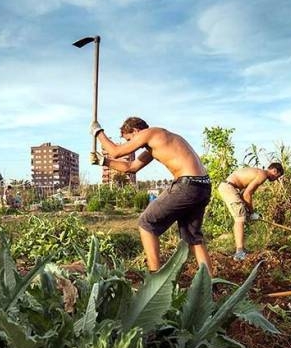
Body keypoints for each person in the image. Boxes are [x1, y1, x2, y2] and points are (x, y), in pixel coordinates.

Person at [89, 117, 213, 274]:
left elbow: (116, 151)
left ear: (135, 131)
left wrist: (98, 132)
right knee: (193, 237)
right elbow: (131, 167)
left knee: (146, 222)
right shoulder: (158, 141)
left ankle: (155, 277)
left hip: (187, 185)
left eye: (129, 140)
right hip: (202, 186)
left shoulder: (150, 133)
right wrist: (104, 161)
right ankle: (209, 283)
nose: (131, 145)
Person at [218, 164, 284, 261]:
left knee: (241, 214)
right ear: (274, 171)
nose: (276, 179)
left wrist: (249, 212)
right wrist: (252, 213)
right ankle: (239, 252)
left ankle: (241, 249)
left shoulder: (258, 173)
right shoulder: (263, 175)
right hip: (229, 187)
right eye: (277, 176)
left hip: (229, 187)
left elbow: (244, 194)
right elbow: (247, 194)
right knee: (239, 218)